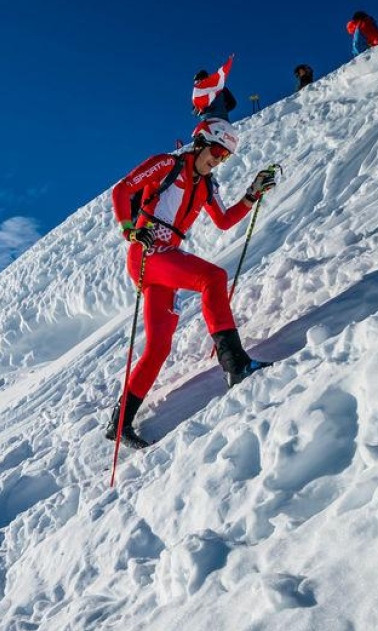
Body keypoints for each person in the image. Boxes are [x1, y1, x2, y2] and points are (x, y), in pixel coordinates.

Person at [106, 118, 278, 449]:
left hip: (166, 259)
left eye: (225, 156)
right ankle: (236, 365)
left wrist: (252, 194)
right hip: (147, 253)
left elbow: (224, 221)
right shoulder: (167, 164)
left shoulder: (207, 186)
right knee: (212, 277)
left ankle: (120, 423)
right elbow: (122, 189)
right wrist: (130, 229)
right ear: (199, 143)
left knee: (159, 347)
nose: (218, 159)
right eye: (215, 150)